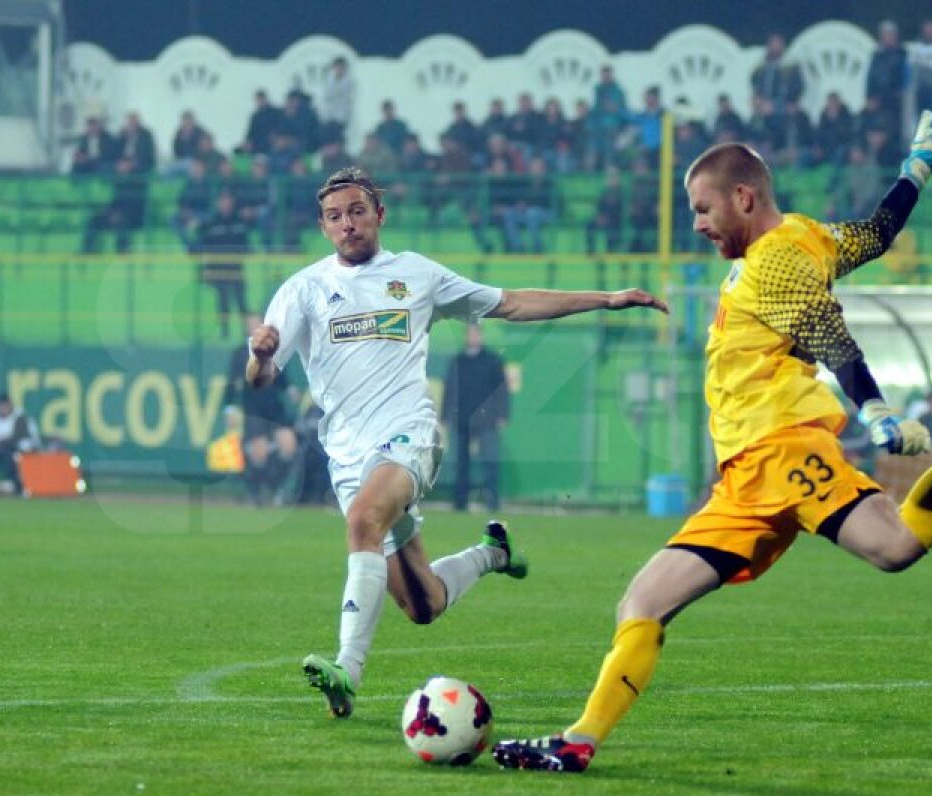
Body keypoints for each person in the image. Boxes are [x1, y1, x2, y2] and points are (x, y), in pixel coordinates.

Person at [491, 113, 932, 773]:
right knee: (642, 601)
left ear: (744, 197)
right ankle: (578, 741)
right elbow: (876, 234)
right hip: (745, 479)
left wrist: (874, 408)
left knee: (897, 545)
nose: (697, 224)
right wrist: (919, 167)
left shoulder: (774, 260)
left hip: (786, 453)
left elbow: (827, 331)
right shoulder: (809, 237)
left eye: (703, 209)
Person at [245, 166, 667, 719]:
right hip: (346, 456)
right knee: (422, 604)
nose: (347, 223)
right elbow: (261, 378)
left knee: (362, 524)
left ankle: (348, 668)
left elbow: (511, 302)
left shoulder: (415, 275)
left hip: (410, 436)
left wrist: (605, 299)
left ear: (379, 215)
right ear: (323, 227)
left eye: (356, 211)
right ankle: (494, 553)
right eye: (334, 216)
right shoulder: (302, 290)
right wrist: (259, 354)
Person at [226, 315, 298, 505]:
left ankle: (276, 487)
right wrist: (230, 408)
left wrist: (289, 389)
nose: (255, 327)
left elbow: (281, 376)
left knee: (289, 445)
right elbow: (232, 383)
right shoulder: (241, 353)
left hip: (275, 408)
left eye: (258, 323)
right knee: (259, 452)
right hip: (254, 409)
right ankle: (255, 490)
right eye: (251, 324)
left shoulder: (273, 349)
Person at [442, 324, 509, 512]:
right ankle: (460, 503)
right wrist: (445, 416)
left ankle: (492, 502)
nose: (472, 337)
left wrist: (502, 414)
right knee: (461, 463)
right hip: (461, 418)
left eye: (475, 333)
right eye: (469, 333)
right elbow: (450, 390)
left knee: (490, 460)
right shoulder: (458, 361)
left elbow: (502, 390)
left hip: (486, 420)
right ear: (466, 336)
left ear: (481, 336)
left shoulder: (493, 360)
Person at [198, 189, 251, 337]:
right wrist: (206, 269)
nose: (226, 204)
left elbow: (246, 245)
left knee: (241, 301)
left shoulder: (239, 222)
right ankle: (224, 331)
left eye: (228, 200)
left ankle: (245, 332)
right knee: (222, 301)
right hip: (218, 269)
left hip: (236, 268)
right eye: (223, 200)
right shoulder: (211, 223)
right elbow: (204, 247)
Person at [0, 393, 39, 494]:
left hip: (19, 450)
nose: (3, 408)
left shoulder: (19, 418)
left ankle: (10, 481)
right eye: (1, 406)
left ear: (10, 405)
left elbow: (17, 438)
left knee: (9, 452)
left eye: (5, 405)